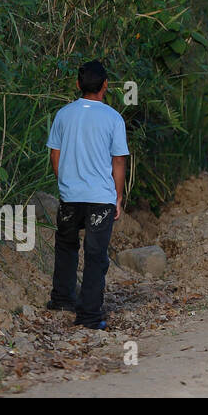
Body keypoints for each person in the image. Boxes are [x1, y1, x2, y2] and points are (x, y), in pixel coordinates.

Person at [46, 60, 128, 330]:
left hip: (71, 195)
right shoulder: (113, 118)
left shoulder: (63, 114)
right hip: (100, 199)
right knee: (95, 254)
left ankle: (61, 299)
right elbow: (118, 161)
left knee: (66, 246)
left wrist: (66, 183)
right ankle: (90, 315)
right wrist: (117, 197)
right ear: (106, 86)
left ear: (78, 85)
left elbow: (55, 156)